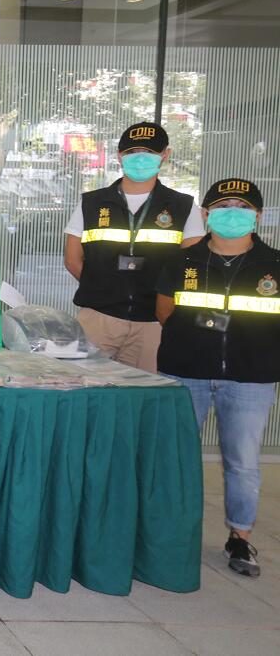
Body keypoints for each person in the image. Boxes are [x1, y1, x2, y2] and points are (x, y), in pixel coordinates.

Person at [156, 177, 278, 578]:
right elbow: (164, 311)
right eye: (224, 207)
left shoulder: (274, 265)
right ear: (206, 214)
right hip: (185, 371)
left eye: (243, 208)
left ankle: (240, 538)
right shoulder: (182, 261)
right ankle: (170, 532)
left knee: (242, 462)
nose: (232, 214)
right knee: (176, 456)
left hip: (250, 377)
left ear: (258, 216)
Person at [64, 122, 202, 371]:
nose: (140, 157)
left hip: (153, 323)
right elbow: (73, 260)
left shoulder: (183, 206)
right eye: (132, 151)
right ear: (120, 156)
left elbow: (193, 266)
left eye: (149, 152)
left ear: (165, 155)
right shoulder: (92, 203)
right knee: (84, 386)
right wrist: (104, 289)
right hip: (98, 318)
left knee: (146, 392)